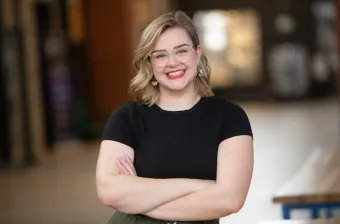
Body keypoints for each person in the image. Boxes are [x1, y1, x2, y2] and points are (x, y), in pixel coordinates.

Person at [95, 11, 254, 224]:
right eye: (160, 55)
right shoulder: (127, 118)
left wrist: (139, 198)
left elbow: (230, 199)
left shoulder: (230, 118)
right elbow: (110, 192)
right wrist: (196, 186)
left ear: (197, 52)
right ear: (150, 63)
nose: (172, 62)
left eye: (181, 51)